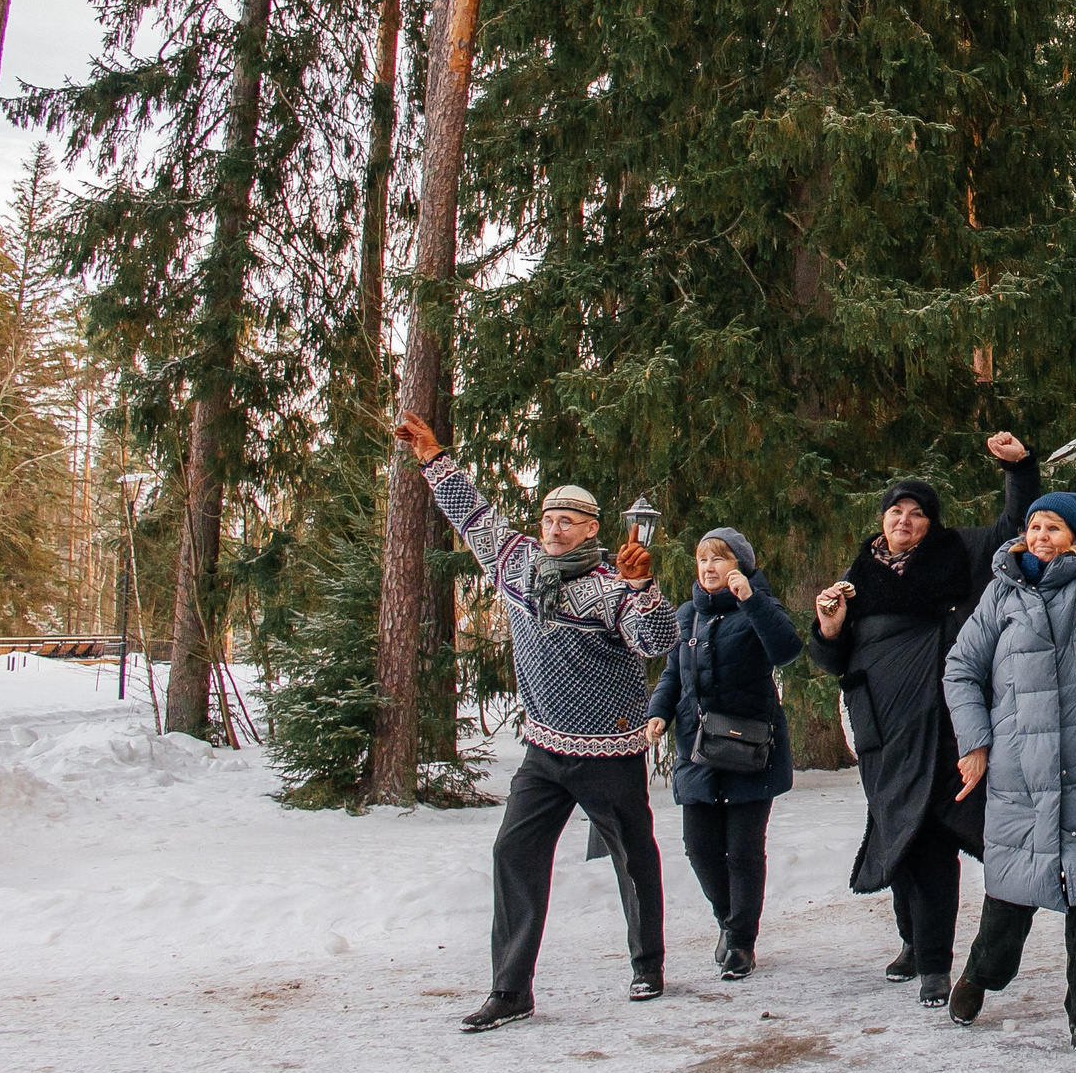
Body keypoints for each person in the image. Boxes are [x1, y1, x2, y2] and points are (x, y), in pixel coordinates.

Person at [394, 412, 681, 1034]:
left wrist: (647, 587)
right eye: (549, 518)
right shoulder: (516, 564)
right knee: (514, 852)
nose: (554, 528)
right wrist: (433, 458)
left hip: (609, 750)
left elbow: (657, 640)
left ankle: (647, 963)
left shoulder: (613, 589)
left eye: (568, 521)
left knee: (632, 857)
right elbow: (471, 513)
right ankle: (510, 988)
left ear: (591, 532)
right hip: (545, 750)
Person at [941, 420, 1076, 1068]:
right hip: (1021, 771)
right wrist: (975, 742)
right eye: (1034, 526)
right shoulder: (1000, 598)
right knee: (1011, 895)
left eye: (1053, 528)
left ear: (1073, 539)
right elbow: (961, 667)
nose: (1040, 536)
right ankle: (981, 976)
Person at [809, 435, 1040, 1007]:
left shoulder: (957, 554)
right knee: (899, 834)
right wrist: (829, 626)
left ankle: (936, 962)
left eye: (917, 513)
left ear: (931, 523)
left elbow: (1015, 523)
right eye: (897, 512)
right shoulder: (857, 575)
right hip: (882, 730)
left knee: (931, 834)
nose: (906, 520)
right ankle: (914, 942)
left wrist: (1020, 467)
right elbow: (833, 659)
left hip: (941, 723)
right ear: (883, 521)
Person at [646, 529, 803, 980]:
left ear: (741, 565)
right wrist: (659, 713)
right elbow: (672, 674)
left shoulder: (759, 606)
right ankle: (728, 921)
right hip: (697, 749)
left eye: (721, 558)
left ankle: (741, 942)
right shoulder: (686, 616)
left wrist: (751, 599)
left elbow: (786, 650)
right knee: (699, 848)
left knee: (744, 850)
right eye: (703, 559)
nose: (710, 567)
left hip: (750, 747)